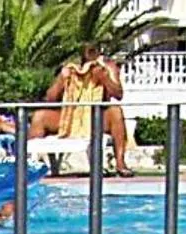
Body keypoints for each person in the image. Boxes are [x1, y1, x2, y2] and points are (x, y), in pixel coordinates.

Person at [27, 47, 130, 175]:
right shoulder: (69, 68)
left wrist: (104, 78)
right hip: (70, 117)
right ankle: (26, 163)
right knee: (40, 116)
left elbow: (118, 94)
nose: (91, 51)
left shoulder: (107, 67)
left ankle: (120, 163)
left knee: (115, 111)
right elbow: (50, 99)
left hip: (95, 118)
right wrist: (61, 81)